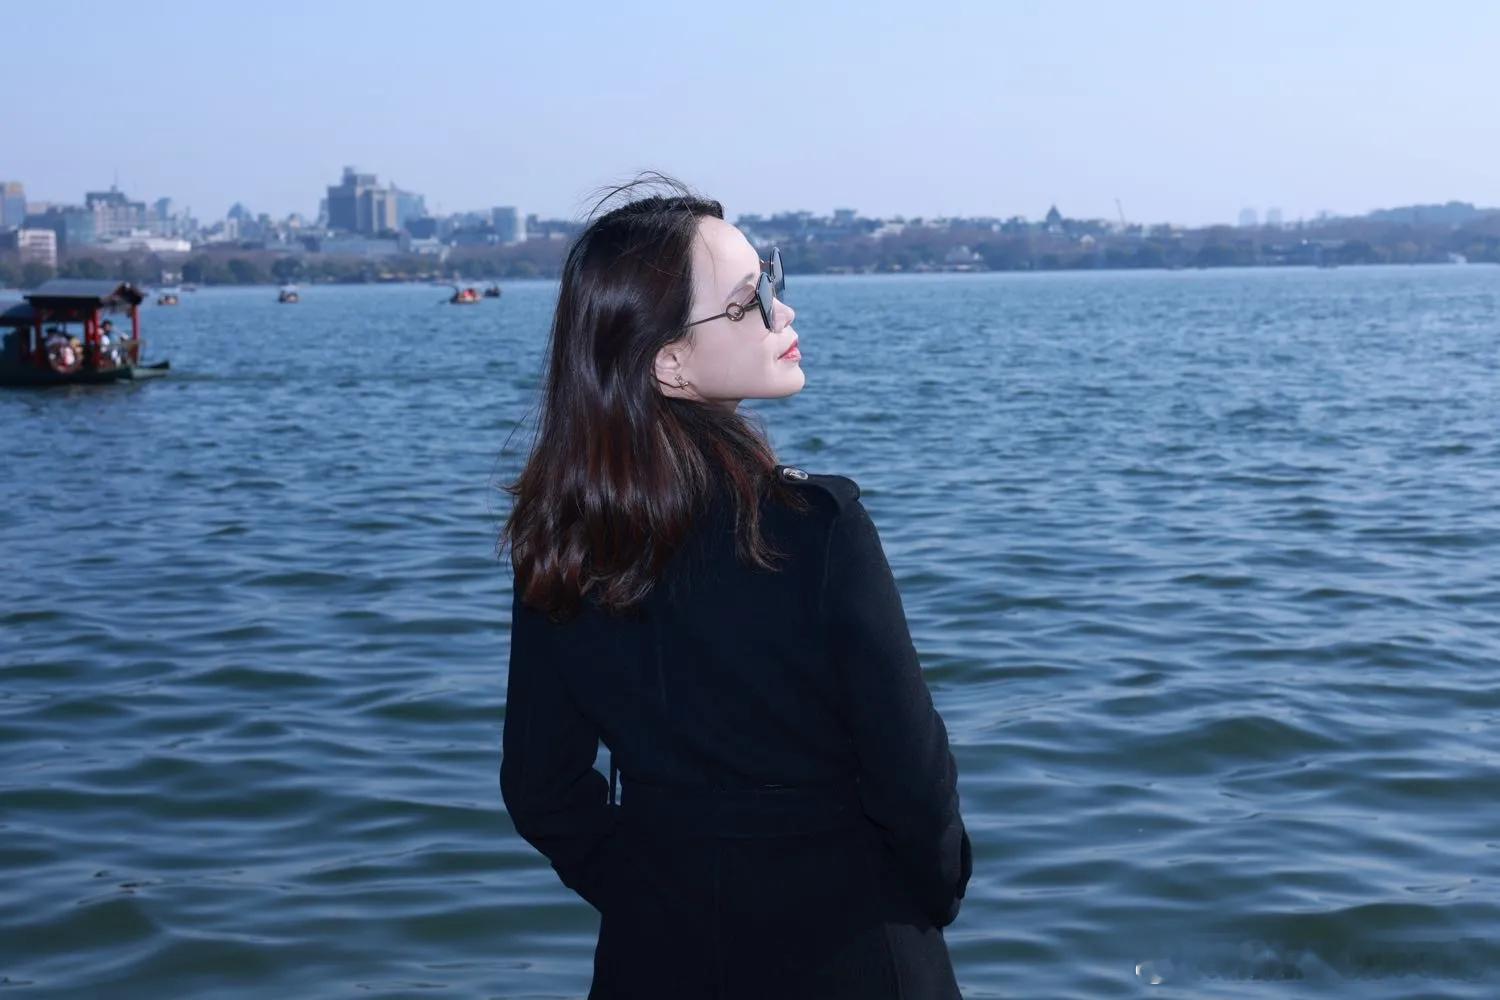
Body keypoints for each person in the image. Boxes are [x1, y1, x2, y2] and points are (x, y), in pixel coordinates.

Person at [498, 176, 971, 1000]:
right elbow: (912, 779)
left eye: (771, 282)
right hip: (855, 952)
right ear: (670, 362)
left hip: (655, 961)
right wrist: (927, 900)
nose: (782, 313)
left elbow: (543, 789)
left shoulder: (562, 539)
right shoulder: (816, 529)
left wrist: (649, 898)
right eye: (749, 299)